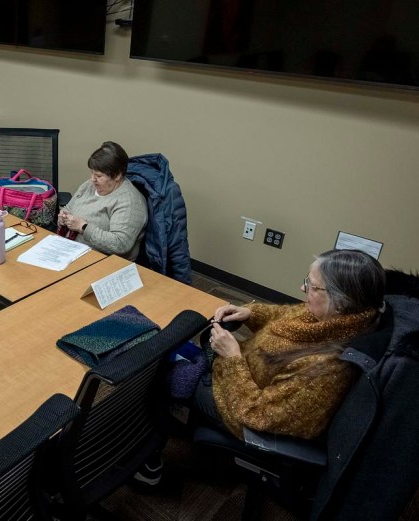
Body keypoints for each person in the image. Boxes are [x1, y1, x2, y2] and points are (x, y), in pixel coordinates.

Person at [134, 249, 386, 487]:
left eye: (311, 286)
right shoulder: (336, 317)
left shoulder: (329, 370)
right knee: (174, 352)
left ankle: (148, 463)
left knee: (157, 377)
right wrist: (249, 312)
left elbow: (257, 414)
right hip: (244, 374)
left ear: (339, 301)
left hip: (242, 405)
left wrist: (233, 358)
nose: (302, 288)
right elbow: (285, 318)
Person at [57, 141, 147, 261]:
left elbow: (120, 244)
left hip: (103, 263)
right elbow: (69, 207)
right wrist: (63, 216)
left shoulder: (129, 202)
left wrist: (83, 227)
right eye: (92, 173)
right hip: (69, 251)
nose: (92, 179)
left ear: (117, 176)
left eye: (99, 176)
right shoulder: (89, 185)